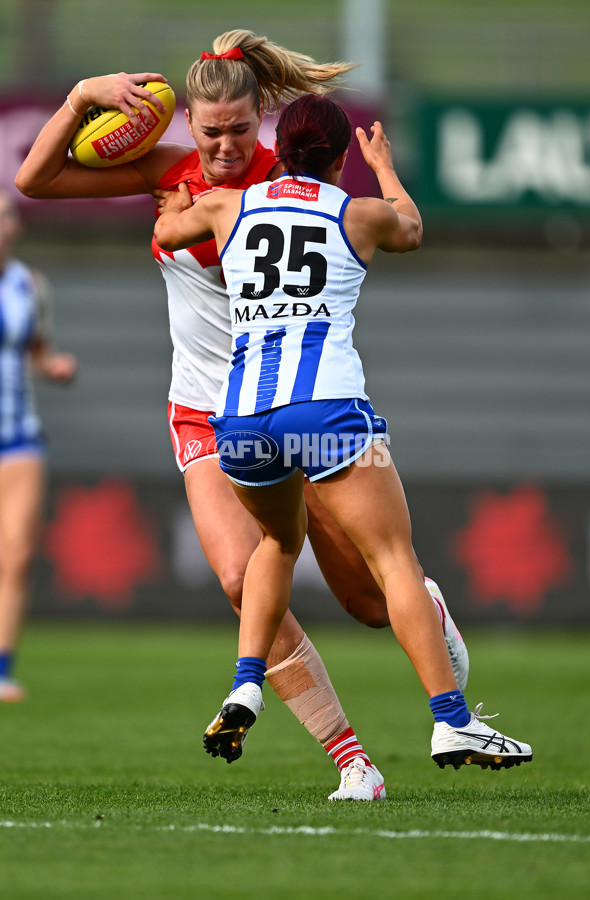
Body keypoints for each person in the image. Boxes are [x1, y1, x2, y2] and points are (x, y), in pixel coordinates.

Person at [16, 30, 467, 798]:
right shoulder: (170, 169)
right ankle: (353, 762)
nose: (224, 148)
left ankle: (424, 608)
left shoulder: (282, 181)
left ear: (262, 118)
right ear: (187, 122)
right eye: (210, 131)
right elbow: (36, 178)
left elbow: (367, 236)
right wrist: (83, 96)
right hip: (203, 409)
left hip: (290, 401)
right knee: (238, 575)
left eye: (237, 130)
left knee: (362, 600)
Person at [154, 92, 533, 777]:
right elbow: (412, 229)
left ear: (276, 145)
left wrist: (182, 177)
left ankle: (246, 679)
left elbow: (171, 230)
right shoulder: (355, 211)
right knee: (393, 563)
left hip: (239, 418)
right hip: (329, 409)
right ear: (336, 159)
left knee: (275, 542)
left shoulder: (226, 206)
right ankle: (453, 722)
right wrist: (384, 168)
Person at [0, 189, 77, 702]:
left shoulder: (29, 284)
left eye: (6, 213)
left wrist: (53, 366)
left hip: (19, 435)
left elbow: (36, 350)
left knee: (18, 554)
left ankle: (3, 668)